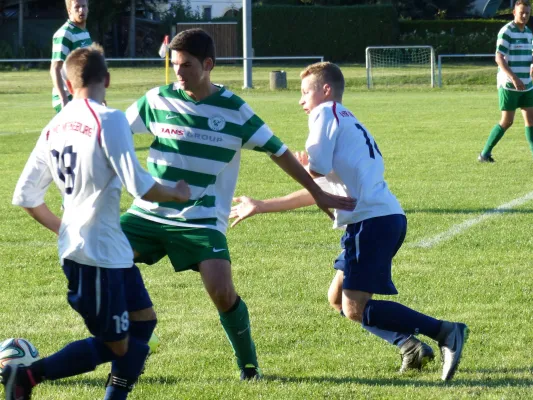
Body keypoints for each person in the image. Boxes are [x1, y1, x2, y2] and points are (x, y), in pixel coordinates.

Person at [122, 29, 356, 380]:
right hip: (148, 213)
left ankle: (248, 365)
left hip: (201, 219)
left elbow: (278, 152)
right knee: (98, 256)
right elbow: (116, 137)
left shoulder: (234, 110)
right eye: (174, 65)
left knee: (221, 291)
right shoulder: (155, 100)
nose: (179, 73)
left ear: (208, 65)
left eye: (186, 65)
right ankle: (142, 331)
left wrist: (317, 191)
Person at [230, 61, 469, 381]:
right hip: (384, 218)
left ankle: (445, 332)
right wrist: (260, 205)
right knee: (337, 301)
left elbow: (313, 172)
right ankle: (410, 346)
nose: (301, 101)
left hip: (371, 222)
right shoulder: (349, 123)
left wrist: (300, 163)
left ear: (326, 91)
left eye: (304, 93)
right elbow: (319, 192)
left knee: (354, 307)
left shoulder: (325, 113)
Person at [4, 44, 191, 400]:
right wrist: (177, 192)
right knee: (120, 346)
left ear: (68, 83)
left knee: (144, 322)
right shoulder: (109, 118)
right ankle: (27, 375)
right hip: (97, 256)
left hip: (106, 249)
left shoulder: (54, 126)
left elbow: (26, 196)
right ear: (107, 78)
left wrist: (64, 229)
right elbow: (141, 186)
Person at [479, 0, 533, 162]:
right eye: (521, 12)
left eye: (527, 13)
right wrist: (514, 78)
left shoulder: (529, 32)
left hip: (527, 84)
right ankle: (485, 154)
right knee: (507, 121)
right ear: (514, 12)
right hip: (509, 84)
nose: (524, 16)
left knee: (531, 120)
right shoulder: (506, 31)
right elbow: (499, 58)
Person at [51, 0, 92, 113]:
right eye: (77, 7)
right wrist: (63, 98)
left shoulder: (84, 32)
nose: (81, 10)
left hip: (82, 95)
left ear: (88, 8)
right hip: (69, 97)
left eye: (84, 6)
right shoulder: (65, 34)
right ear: (69, 11)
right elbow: (55, 68)